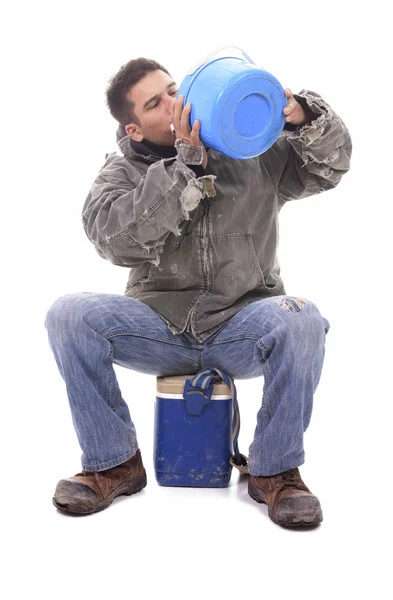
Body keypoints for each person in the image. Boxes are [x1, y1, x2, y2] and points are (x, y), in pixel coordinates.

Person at [44, 57, 352, 527]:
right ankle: (113, 463)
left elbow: (331, 167)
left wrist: (301, 115)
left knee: (301, 317)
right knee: (69, 314)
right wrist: (184, 168)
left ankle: (275, 473)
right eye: (155, 102)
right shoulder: (122, 171)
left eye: (172, 89)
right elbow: (114, 240)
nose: (173, 103)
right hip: (157, 330)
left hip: (242, 326)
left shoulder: (249, 149)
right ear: (136, 129)